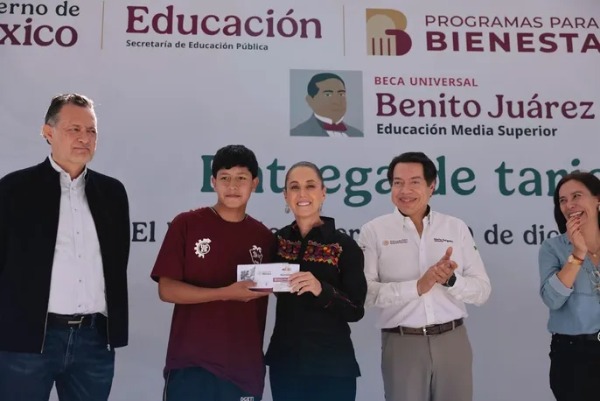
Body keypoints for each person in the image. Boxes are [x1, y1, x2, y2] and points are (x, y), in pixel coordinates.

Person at [0, 93, 131, 401]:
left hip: (93, 341)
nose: (85, 138)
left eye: (91, 130)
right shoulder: (13, 190)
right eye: (74, 129)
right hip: (27, 340)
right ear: (48, 132)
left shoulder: (112, 193)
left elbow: (117, 263)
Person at [358, 151, 491, 401]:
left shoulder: (455, 227)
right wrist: (418, 286)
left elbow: (482, 291)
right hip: (402, 342)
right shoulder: (373, 231)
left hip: (453, 340)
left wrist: (451, 281)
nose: (405, 190)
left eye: (414, 182)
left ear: (432, 186)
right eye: (398, 183)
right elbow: (365, 294)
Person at [151, 144, 276, 401]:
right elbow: (167, 289)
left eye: (241, 178)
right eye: (225, 178)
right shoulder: (187, 224)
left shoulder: (264, 237)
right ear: (213, 182)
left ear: (254, 183)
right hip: (191, 365)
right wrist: (225, 293)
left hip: (243, 371)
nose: (233, 186)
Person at [265, 161, 367, 401]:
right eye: (294, 187)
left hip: (332, 366)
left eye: (310, 186)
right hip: (285, 363)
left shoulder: (344, 246)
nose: (302, 193)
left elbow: (356, 309)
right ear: (285, 196)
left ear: (323, 193)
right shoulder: (276, 242)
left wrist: (322, 289)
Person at [539, 171, 600, 401]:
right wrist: (578, 254)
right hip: (573, 357)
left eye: (576, 196)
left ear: (597, 200)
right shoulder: (552, 248)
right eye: (563, 200)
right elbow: (552, 299)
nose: (569, 205)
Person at [290, 73, 364, 138]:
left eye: (341, 94)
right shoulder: (297, 133)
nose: (337, 101)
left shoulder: (358, 134)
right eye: (328, 94)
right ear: (310, 100)